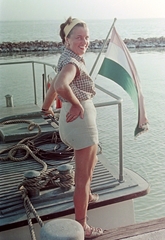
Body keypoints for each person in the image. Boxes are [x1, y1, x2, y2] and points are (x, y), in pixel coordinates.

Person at [41, 17, 103, 238]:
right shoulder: (72, 63)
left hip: (74, 121)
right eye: (78, 37)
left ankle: (89, 194)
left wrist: (46, 107)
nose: (84, 41)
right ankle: (82, 225)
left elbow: (54, 88)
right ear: (67, 40)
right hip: (80, 122)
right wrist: (77, 104)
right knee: (82, 179)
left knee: (93, 159)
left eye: (86, 37)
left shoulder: (67, 57)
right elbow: (60, 85)